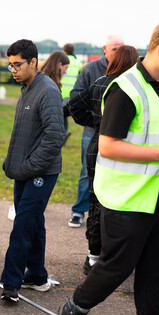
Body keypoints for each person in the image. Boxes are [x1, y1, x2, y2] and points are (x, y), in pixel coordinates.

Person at [57, 17, 159, 315]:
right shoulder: (126, 88)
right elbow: (107, 146)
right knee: (117, 266)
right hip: (127, 198)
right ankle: (73, 310)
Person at [0, 39, 64, 303]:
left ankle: (11, 283)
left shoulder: (47, 90)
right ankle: (37, 276)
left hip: (40, 172)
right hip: (25, 170)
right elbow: (26, 132)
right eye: (10, 64)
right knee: (34, 223)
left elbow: (55, 136)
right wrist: (13, 163)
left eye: (18, 64)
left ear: (33, 62)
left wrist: (30, 167)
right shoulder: (27, 87)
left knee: (23, 225)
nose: (13, 70)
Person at [68, 45, 139, 274]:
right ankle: (116, 253)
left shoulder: (100, 82)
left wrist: (94, 122)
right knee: (120, 201)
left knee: (95, 200)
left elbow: (74, 106)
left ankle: (93, 255)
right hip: (123, 147)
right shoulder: (133, 86)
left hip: (96, 145)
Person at [68, 35, 124, 228]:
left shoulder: (127, 72)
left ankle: (104, 213)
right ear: (105, 49)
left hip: (117, 133)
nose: (118, 52)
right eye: (115, 48)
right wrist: (91, 120)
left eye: (121, 48)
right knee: (87, 171)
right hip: (92, 131)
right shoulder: (90, 69)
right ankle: (78, 211)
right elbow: (75, 97)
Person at [60, 43, 82, 142]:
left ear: (64, 51)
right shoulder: (78, 63)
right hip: (73, 93)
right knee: (63, 114)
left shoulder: (62, 60)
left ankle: (63, 133)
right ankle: (64, 132)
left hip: (62, 92)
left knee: (60, 114)